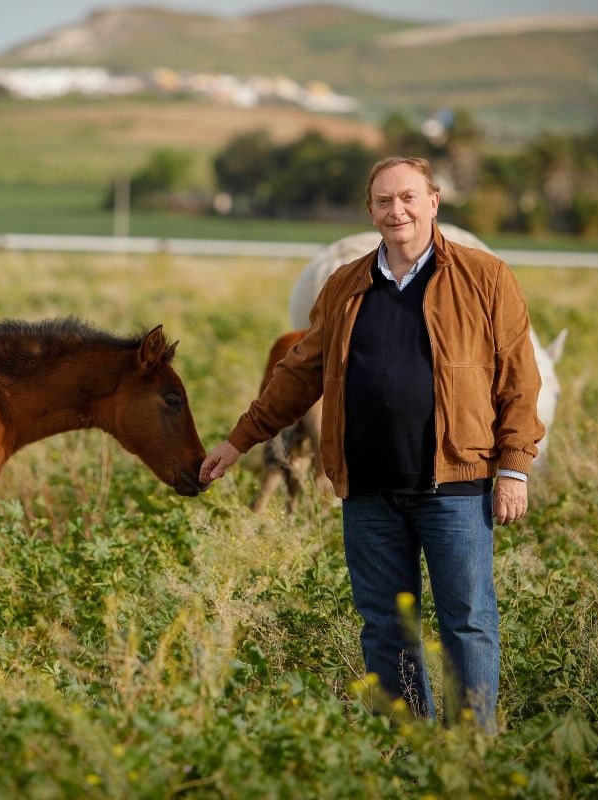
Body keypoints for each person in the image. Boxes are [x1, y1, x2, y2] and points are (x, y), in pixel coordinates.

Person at [199, 156, 544, 728]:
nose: (396, 210)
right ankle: (407, 746)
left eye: (408, 198)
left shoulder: (486, 277)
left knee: (467, 622)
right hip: (368, 492)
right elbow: (298, 373)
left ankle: (468, 753)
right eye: (384, 201)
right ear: (370, 211)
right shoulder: (346, 285)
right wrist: (240, 440)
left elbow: (518, 379)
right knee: (385, 626)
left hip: (455, 485)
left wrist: (513, 467)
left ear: (433, 203)